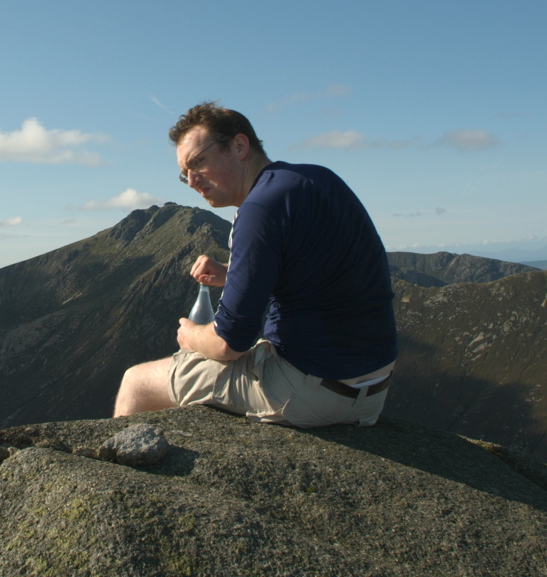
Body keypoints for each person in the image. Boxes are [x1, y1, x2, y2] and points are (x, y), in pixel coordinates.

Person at [112, 101, 397, 427]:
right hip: (371, 389)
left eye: (198, 162)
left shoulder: (258, 208)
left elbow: (229, 343)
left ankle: (117, 462)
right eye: (184, 173)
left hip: (313, 392)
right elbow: (315, 267)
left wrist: (192, 337)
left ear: (239, 145)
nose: (192, 181)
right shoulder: (315, 179)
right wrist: (232, 274)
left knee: (137, 381)